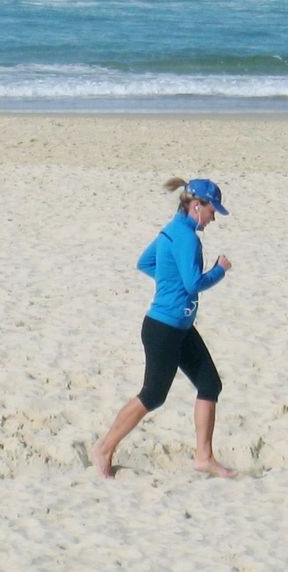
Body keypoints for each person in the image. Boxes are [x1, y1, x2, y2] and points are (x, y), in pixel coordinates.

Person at [92, 177, 236, 479]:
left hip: (180, 326)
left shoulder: (172, 230)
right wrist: (219, 270)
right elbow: (194, 283)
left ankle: (204, 457)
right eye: (212, 211)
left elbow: (145, 263)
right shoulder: (186, 237)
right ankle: (104, 448)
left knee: (210, 384)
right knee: (153, 395)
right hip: (164, 329)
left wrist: (167, 280)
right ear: (197, 205)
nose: (213, 219)